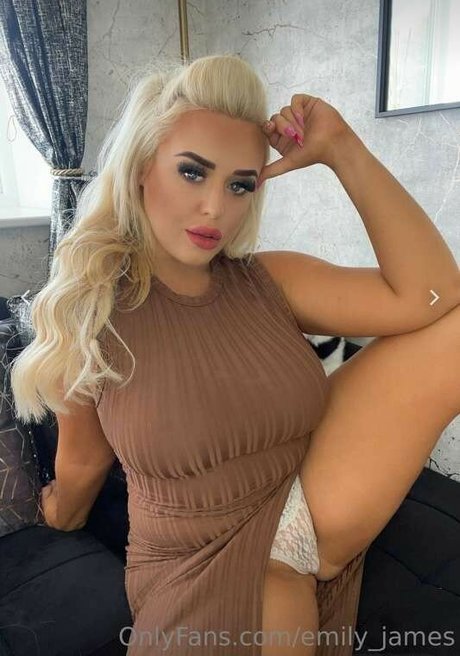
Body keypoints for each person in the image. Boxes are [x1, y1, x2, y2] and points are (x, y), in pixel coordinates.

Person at [10, 53, 460, 655]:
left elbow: (433, 295)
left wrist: (341, 149)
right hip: (191, 557)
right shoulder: (89, 313)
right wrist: (57, 514)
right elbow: (84, 462)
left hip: (305, 496)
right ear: (141, 168)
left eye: (240, 184)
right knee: (270, 603)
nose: (215, 208)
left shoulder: (271, 280)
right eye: (192, 173)